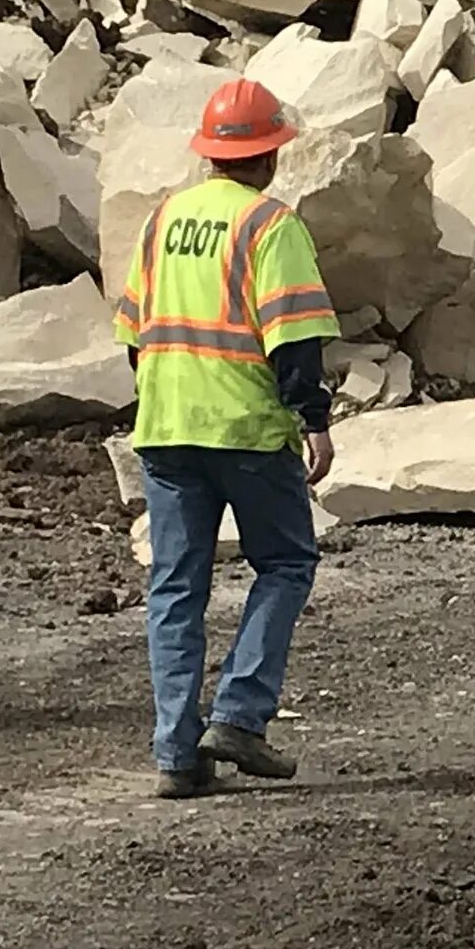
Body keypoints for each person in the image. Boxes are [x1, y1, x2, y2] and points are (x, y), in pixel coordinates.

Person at [113, 78, 340, 799]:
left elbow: (132, 335)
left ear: (210, 154)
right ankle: (240, 714)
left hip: (167, 428)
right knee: (286, 562)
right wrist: (315, 421)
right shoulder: (272, 227)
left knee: (176, 587)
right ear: (270, 155)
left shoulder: (164, 219)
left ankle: (178, 754)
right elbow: (294, 342)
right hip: (245, 429)